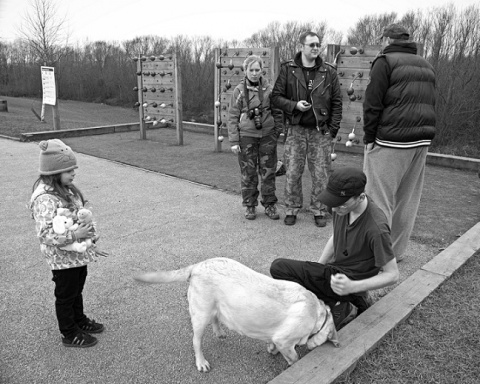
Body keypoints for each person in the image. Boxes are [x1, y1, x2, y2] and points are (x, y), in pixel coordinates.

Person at [270, 167, 399, 330]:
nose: (335, 209)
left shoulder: (376, 228)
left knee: (279, 267)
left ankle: (345, 307)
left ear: (360, 197)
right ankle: (342, 303)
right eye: (333, 202)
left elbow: (392, 275)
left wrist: (353, 287)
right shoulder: (342, 206)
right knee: (295, 279)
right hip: (336, 274)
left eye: (341, 204)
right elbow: (335, 237)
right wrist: (319, 267)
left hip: (350, 281)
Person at [363, 23, 436, 262]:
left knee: (378, 198)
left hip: (391, 140)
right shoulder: (426, 64)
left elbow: (373, 103)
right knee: (407, 199)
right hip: (421, 140)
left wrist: (369, 138)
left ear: (386, 39)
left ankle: (378, 254)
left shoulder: (384, 61)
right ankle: (397, 251)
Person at [29, 139, 108, 348]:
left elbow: (82, 217)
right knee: (65, 294)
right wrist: (74, 237)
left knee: (76, 289)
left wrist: (90, 238)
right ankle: (69, 332)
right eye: (68, 170)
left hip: (76, 255)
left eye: (74, 169)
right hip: (61, 258)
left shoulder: (67, 190)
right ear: (53, 172)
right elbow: (45, 233)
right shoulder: (45, 198)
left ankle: (79, 320)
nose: (73, 174)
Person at [271, 31, 342, 227]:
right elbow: (275, 97)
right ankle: (292, 208)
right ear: (302, 46)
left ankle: (319, 210)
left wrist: (332, 130)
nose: (315, 48)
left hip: (320, 133)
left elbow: (337, 103)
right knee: (293, 172)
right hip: (296, 131)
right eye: (311, 44)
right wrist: (294, 105)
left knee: (321, 175)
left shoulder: (329, 72)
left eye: (317, 44)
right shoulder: (288, 70)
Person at [227, 55, 283, 220]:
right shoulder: (238, 91)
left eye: (257, 69)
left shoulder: (269, 89)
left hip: (267, 136)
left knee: (268, 172)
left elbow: (278, 111)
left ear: (262, 70)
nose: (254, 73)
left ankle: (270, 205)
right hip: (246, 137)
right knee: (248, 173)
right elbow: (232, 116)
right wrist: (234, 141)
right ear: (245, 71)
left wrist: (277, 132)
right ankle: (250, 206)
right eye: (251, 70)